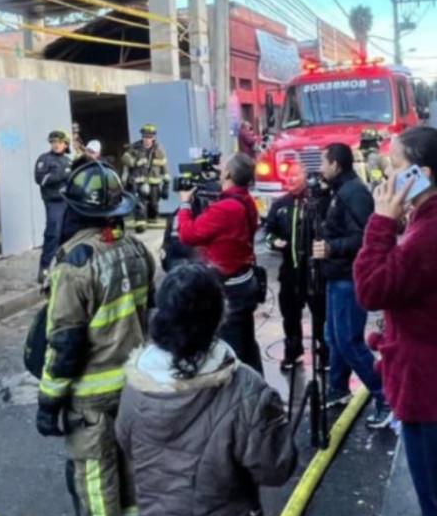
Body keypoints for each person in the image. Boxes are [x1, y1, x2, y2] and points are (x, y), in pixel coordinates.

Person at [354, 126, 437, 516]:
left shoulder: (433, 230)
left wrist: (380, 223)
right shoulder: (435, 219)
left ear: (422, 174)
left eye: (395, 166)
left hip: (433, 390)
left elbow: (371, 289)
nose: (387, 176)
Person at [116, 262, 297, 516]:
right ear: (218, 316)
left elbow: (126, 441)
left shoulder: (136, 384)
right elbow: (276, 468)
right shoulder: (244, 389)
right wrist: (272, 417)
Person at [36, 161, 154, 516]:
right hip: (134, 387)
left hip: (91, 399)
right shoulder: (136, 249)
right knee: (131, 475)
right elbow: (151, 313)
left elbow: (65, 344)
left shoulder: (74, 265)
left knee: (95, 483)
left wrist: (48, 401)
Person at [313, 143, 390, 428]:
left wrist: (331, 248)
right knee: (334, 337)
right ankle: (338, 388)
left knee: (348, 340)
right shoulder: (339, 191)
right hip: (337, 277)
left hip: (348, 278)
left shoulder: (353, 193)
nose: (319, 168)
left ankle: (385, 396)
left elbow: (366, 236)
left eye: (323, 161)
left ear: (335, 164)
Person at [176, 153, 263, 374]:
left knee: (234, 351)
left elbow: (188, 234)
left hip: (230, 290)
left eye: (223, 167)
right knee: (247, 344)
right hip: (244, 282)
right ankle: (258, 390)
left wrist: (185, 205)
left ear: (229, 174)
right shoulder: (245, 201)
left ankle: (243, 397)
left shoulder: (226, 209)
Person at [263, 164, 326, 371]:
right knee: (290, 314)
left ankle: (324, 352)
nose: (290, 179)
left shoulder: (317, 203)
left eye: (295, 175)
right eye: (288, 176)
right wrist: (274, 242)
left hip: (314, 270)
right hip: (289, 271)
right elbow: (268, 232)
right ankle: (293, 351)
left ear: (305, 177)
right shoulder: (280, 204)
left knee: (319, 313)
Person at [35, 130, 73, 282]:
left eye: (59, 142)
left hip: (68, 201)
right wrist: (62, 174)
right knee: (53, 233)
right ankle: (44, 267)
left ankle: (63, 265)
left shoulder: (69, 161)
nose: (56, 145)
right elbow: (40, 179)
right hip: (54, 202)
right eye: (53, 142)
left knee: (68, 234)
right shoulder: (44, 159)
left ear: (65, 144)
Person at [122, 124, 171, 232]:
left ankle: (152, 218)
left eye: (149, 137)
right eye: (145, 136)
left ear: (153, 137)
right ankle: (140, 223)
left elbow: (164, 167)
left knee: (154, 204)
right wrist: (136, 162)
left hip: (154, 182)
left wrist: (166, 183)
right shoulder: (134, 147)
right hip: (138, 182)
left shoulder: (159, 150)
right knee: (140, 203)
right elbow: (124, 158)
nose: (147, 139)